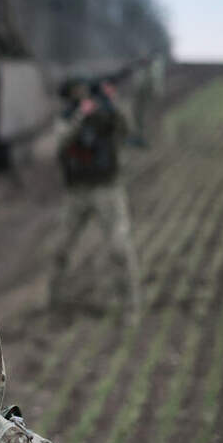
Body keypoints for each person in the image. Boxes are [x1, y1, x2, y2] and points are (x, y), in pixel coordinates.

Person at [51, 78, 142, 322]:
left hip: (107, 189)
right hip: (77, 192)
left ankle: (131, 306)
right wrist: (81, 116)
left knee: (119, 248)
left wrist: (112, 104)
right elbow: (60, 143)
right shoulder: (69, 117)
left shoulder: (108, 113)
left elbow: (129, 131)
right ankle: (54, 300)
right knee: (60, 248)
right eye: (76, 91)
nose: (81, 94)